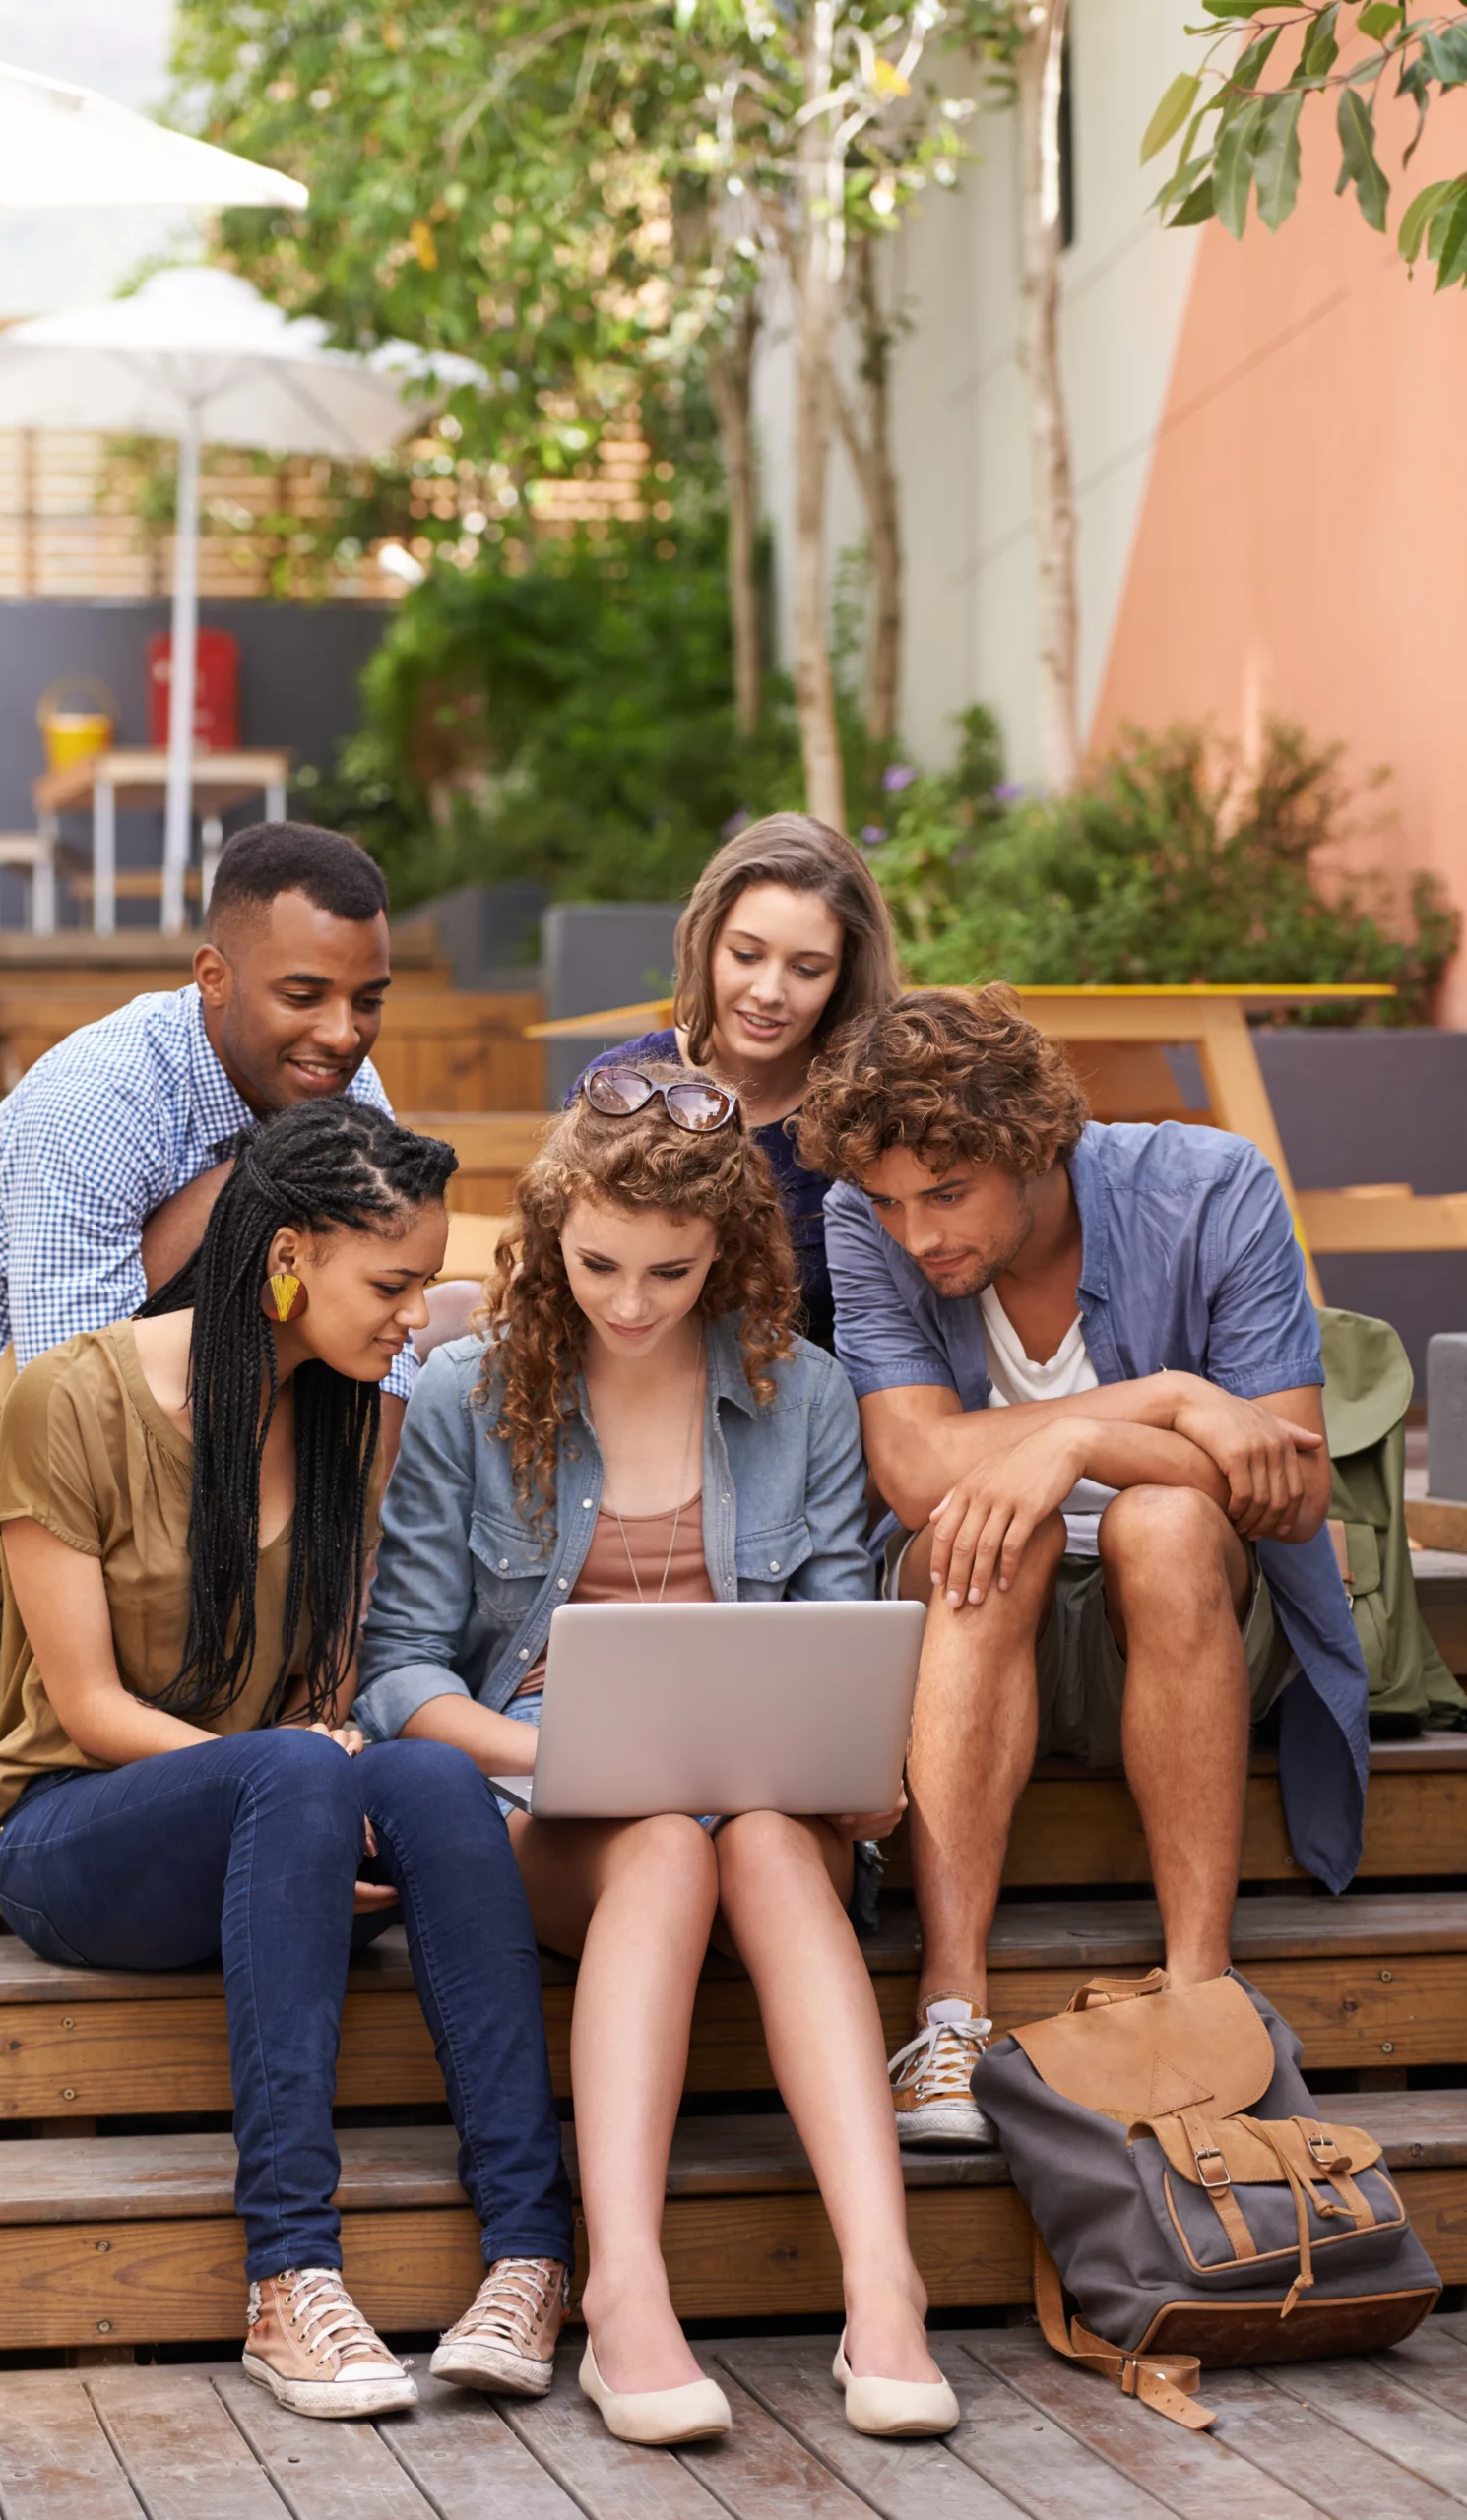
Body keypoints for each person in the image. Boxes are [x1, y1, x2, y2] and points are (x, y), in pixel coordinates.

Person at [354, 1067, 959, 2447]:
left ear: (727, 1251)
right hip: (547, 1804)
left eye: (672, 1272)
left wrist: (847, 1764)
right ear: (552, 1235)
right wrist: (551, 1740)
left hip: (763, 1802)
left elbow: (830, 1631)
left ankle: (888, 2286)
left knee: (737, 1831)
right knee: (669, 1844)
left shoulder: (798, 1391)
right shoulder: (469, 1389)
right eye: (599, 1266)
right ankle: (625, 2293)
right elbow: (402, 1673)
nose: (631, 1304)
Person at [0, 1099, 574, 2419]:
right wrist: (295, 1786)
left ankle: (531, 2252)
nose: (418, 1314)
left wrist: (331, 1772)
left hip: (270, 1833)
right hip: (79, 1835)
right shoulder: (69, 1399)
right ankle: (286, 2277)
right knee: (305, 1773)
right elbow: (83, 1706)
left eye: (426, 1284)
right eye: (395, 1283)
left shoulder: (353, 1421)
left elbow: (332, 1695)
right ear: (290, 1256)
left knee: (422, 1772)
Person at [797, 986, 1370, 2151]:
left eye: (947, 1194)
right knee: (991, 1534)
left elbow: (1293, 1486)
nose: (917, 1234)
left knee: (1151, 1525)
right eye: (892, 1201)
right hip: (973, 1622)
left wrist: (1074, 1439)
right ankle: (948, 2017)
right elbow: (913, 1470)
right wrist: (1166, 1402)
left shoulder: (1211, 1188)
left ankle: (1198, 1987)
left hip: (1188, 1616)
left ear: (1038, 1143)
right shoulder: (867, 1218)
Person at [0, 821, 414, 1604]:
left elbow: (385, 1302)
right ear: (214, 977)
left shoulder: (338, 1078)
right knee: (267, 1183)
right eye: (303, 995)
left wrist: (360, 1538)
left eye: (368, 1001)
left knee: (436, 1311)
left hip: (187, 1426)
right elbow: (66, 1386)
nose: (342, 1032)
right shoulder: (102, 1093)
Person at [574, 814, 898, 1349]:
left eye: (807, 969)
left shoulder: (871, 1108)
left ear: (845, 972)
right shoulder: (619, 1089)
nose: (769, 991)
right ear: (704, 942)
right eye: (746, 955)